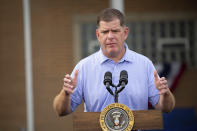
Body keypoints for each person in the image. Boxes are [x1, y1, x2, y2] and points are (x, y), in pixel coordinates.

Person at [53, 8, 175, 116]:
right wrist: (65, 94)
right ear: (98, 35)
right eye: (105, 32)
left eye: (115, 31)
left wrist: (165, 94)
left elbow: (166, 108)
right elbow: (61, 111)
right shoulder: (84, 67)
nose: (110, 36)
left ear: (125, 33)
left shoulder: (144, 64)